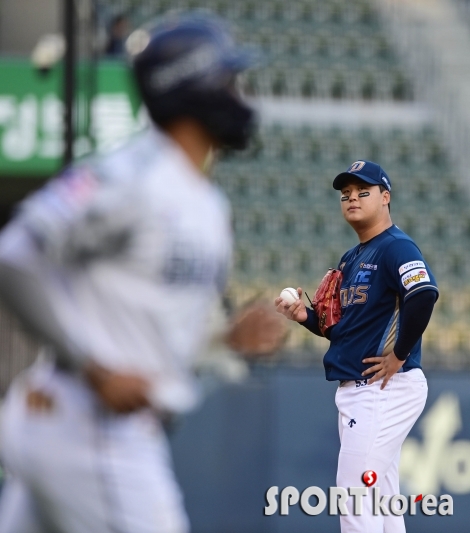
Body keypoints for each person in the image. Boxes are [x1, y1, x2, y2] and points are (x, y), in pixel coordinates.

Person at [0, 12, 284, 533]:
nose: (240, 96)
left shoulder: (205, 203)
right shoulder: (130, 175)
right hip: (91, 429)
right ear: (191, 88)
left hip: (82, 427)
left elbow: (144, 334)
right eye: (228, 81)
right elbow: (14, 256)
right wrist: (95, 369)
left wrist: (224, 338)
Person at [275, 160, 438, 533]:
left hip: (383, 389)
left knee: (354, 498)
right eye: (346, 194)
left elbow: (423, 294)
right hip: (363, 390)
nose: (352, 199)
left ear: (385, 198)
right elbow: (342, 330)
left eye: (363, 192)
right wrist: (304, 316)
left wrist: (398, 355)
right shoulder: (351, 258)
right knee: (381, 502)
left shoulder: (396, 247)